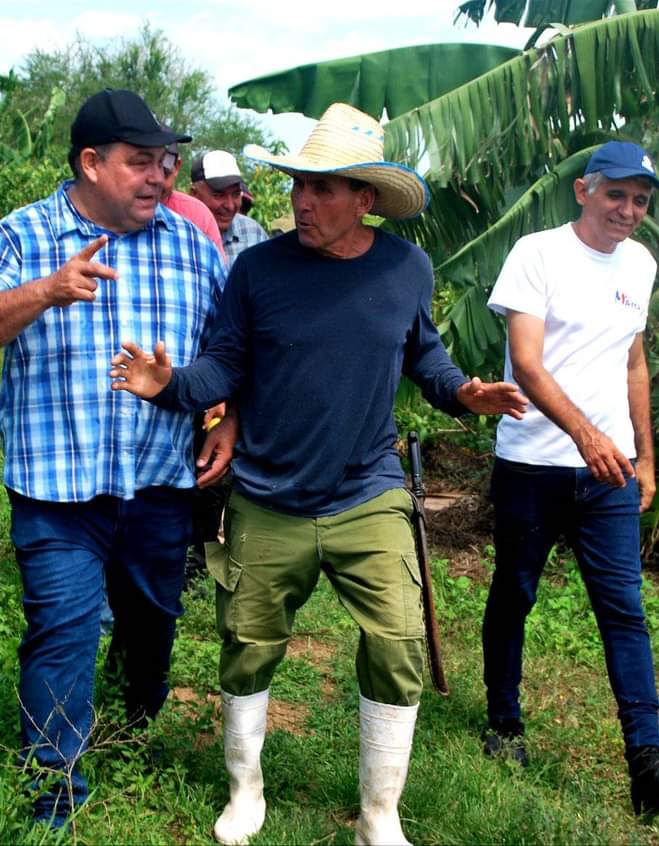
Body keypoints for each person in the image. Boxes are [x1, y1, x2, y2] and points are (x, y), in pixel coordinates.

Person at [108, 102, 528, 846]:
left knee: (398, 641)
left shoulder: (405, 268)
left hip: (367, 488)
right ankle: (246, 790)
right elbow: (224, 366)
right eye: (300, 184)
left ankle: (379, 815)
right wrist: (168, 387)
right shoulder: (259, 270)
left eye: (324, 188)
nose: (303, 200)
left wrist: (464, 393)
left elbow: (422, 356)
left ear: (366, 200)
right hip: (269, 493)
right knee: (248, 639)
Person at [0, 88, 233, 828]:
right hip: (56, 492)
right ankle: (52, 796)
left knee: (151, 630)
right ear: (91, 162)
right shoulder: (24, 235)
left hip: (161, 486)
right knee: (63, 633)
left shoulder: (191, 247)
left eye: (166, 163)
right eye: (141, 163)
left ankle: (132, 731)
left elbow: (231, 351)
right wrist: (47, 290)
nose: (161, 178)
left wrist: (228, 416)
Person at [482, 141, 659, 815]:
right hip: (533, 463)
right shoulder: (538, 253)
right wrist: (586, 436)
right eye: (617, 195)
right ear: (584, 190)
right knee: (515, 591)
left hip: (607, 472)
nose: (629, 211)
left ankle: (648, 762)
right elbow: (527, 363)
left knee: (624, 611)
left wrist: (645, 456)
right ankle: (504, 720)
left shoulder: (639, 262)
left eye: (640, 201)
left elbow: (634, 362)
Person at [189, 150, 268, 266]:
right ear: (194, 194)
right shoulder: (180, 233)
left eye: (236, 194)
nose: (230, 206)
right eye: (219, 195)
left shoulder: (253, 233)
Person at [161, 135, 226, 260]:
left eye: (164, 172)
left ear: (177, 166)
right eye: (141, 165)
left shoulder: (197, 215)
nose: (155, 179)